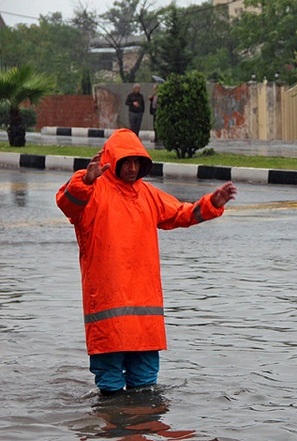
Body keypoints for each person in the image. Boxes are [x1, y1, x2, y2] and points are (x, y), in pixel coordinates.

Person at [56, 128, 237, 396]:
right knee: (110, 388)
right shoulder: (92, 190)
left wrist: (212, 203)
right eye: (125, 162)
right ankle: (118, 433)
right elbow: (66, 203)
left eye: (136, 162)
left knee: (145, 388)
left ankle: (138, 434)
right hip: (108, 306)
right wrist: (86, 179)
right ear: (112, 161)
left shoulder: (148, 194)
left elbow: (181, 213)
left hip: (144, 314)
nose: (131, 168)